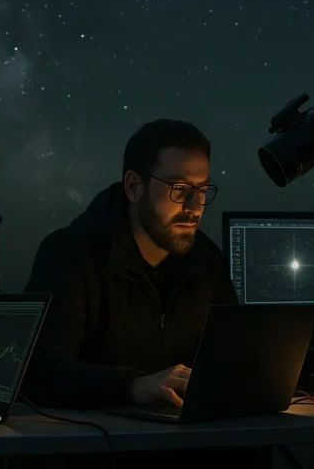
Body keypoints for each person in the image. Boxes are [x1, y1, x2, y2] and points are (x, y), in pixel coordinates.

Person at [22, 119, 268, 468]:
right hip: (97, 450)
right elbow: (39, 372)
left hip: (187, 442)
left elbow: (231, 352)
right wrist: (134, 386)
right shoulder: (70, 253)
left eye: (203, 190)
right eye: (180, 189)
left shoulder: (206, 260)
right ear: (134, 186)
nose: (195, 206)